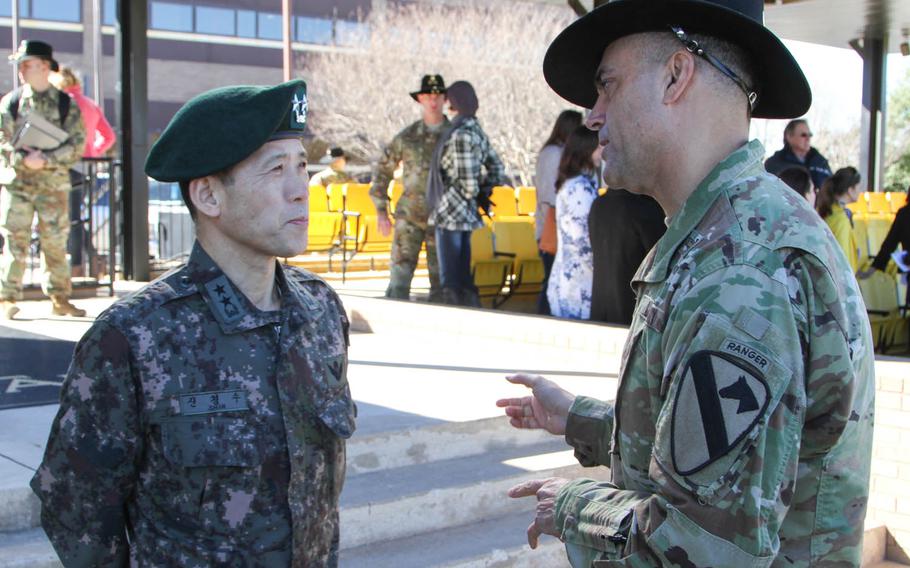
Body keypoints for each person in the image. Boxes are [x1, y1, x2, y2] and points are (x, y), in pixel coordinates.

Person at [496, 1, 875, 566]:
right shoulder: (734, 232)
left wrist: (573, 506)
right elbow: (719, 452)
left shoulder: (739, 270)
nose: (593, 116)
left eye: (608, 86)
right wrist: (581, 419)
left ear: (676, 76)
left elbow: (701, 544)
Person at [31, 80, 356, 566]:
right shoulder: (134, 335)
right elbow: (75, 506)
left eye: (302, 167)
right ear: (208, 195)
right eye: (276, 170)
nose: (299, 192)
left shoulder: (320, 310)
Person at [0, 40, 86, 319]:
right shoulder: (11, 103)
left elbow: (77, 143)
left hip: (52, 186)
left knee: (55, 241)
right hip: (19, 184)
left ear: (45, 67)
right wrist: (22, 159)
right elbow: (2, 140)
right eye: (21, 65)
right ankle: (6, 298)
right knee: (15, 241)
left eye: (28, 64)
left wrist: (47, 159)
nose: (22, 70)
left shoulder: (65, 104)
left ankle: (60, 298)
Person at [369, 74, 449, 302]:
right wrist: (381, 210)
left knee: (443, 285)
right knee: (399, 283)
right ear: (420, 99)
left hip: (443, 216)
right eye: (428, 96)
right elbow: (382, 170)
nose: (433, 101)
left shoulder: (454, 134)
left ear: (444, 99)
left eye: (438, 96)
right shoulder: (408, 136)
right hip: (410, 216)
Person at [427, 81, 504, 307]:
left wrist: (477, 190)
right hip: (466, 211)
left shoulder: (460, 134)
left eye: (449, 102)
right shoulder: (477, 131)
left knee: (452, 279)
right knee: (463, 273)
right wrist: (484, 189)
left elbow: (467, 182)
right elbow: (497, 169)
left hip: (452, 210)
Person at [49, 65, 116, 278]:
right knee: (75, 216)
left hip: (61, 165)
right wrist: (92, 151)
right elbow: (109, 136)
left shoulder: (60, 104)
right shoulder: (89, 104)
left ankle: (78, 265)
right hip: (84, 166)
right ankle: (89, 260)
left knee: (67, 217)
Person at [587, 187, 665, 325]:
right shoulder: (644, 208)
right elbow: (662, 264)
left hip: (600, 311)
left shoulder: (598, 205)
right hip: (632, 315)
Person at [546, 126, 600, 319]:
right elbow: (583, 241)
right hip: (578, 286)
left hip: (568, 281)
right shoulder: (580, 189)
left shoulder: (572, 184)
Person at [535, 110, 583, 315]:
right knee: (551, 279)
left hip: (556, 224)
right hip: (551, 227)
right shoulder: (552, 154)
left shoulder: (558, 153)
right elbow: (549, 194)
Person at [764, 118, 832, 190]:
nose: (808, 138)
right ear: (789, 136)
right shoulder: (774, 163)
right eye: (803, 135)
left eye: (810, 135)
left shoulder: (821, 162)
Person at [817, 166, 862, 271]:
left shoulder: (830, 212)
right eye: (859, 187)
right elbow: (842, 262)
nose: (861, 191)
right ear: (850, 190)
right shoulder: (840, 219)